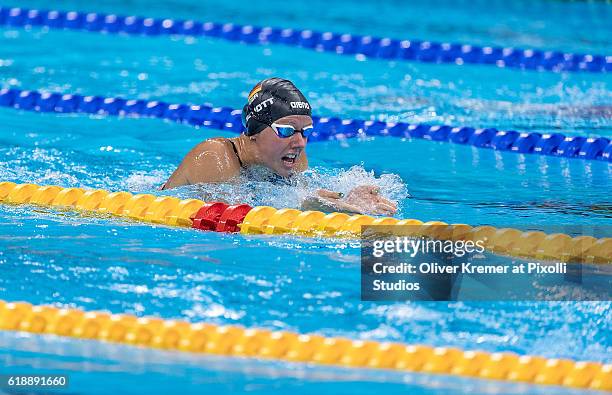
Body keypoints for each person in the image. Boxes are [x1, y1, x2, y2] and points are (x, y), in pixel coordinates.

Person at [162, 78, 397, 216]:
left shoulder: (290, 156)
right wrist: (305, 207)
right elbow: (234, 220)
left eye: (305, 132)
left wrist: (346, 201)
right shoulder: (214, 156)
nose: (299, 142)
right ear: (254, 131)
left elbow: (308, 197)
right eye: (286, 130)